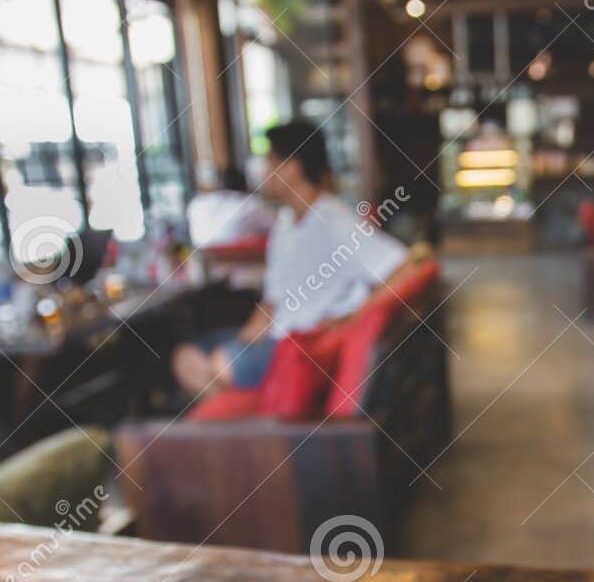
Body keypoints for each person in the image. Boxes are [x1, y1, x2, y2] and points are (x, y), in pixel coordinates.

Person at [172, 121, 413, 397]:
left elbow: (405, 268)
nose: (263, 172)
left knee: (221, 365)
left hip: (306, 350)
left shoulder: (334, 221)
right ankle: (251, 410)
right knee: (185, 357)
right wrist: (243, 342)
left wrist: (352, 317)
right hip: (276, 340)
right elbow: (271, 303)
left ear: (292, 168)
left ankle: (249, 412)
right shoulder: (285, 223)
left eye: (269, 162)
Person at [185, 164, 278, 248]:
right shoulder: (250, 204)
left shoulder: (196, 203)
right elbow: (278, 222)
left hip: (204, 260)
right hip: (243, 261)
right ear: (245, 185)